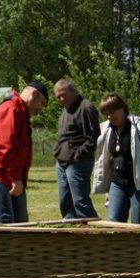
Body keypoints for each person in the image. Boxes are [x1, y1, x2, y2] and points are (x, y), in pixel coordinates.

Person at [0, 82, 48, 224]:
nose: (40, 109)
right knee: (5, 220)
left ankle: (18, 247)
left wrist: (18, 178)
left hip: (10, 174)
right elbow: (7, 147)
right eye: (42, 103)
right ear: (34, 94)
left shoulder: (20, 112)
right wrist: (15, 179)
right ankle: (2, 246)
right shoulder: (11, 110)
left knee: (21, 220)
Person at [93, 93, 140, 224]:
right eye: (106, 114)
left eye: (112, 112)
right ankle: (119, 245)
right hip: (117, 183)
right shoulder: (106, 130)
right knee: (113, 223)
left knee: (139, 223)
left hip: (139, 184)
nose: (109, 117)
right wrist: (107, 190)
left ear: (122, 108)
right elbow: (106, 160)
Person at [52, 79, 100, 219]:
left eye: (63, 94)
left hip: (78, 163)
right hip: (62, 161)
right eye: (58, 96)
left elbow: (93, 137)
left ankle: (94, 232)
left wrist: (78, 155)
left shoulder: (86, 107)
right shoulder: (65, 110)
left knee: (80, 202)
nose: (61, 99)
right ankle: (71, 232)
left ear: (73, 91)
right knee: (65, 202)